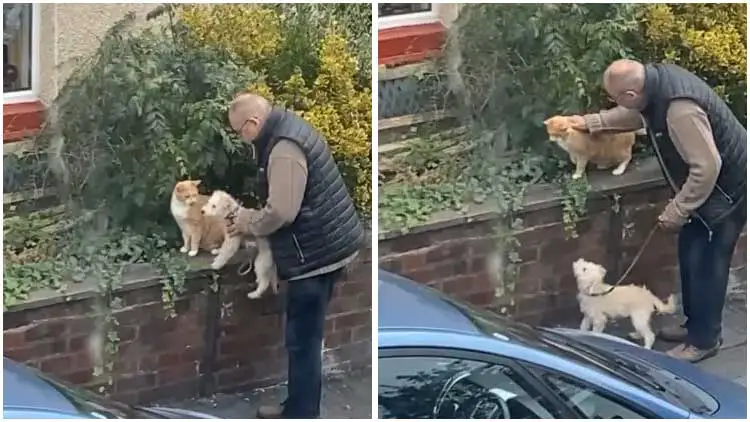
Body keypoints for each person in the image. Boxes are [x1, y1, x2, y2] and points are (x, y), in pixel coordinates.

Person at [568, 59, 746, 363]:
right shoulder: (654, 85)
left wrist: (678, 209)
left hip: (728, 194)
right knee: (691, 256)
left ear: (632, 93)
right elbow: (635, 115)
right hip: (709, 193)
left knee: (707, 267)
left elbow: (707, 167)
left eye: (616, 98)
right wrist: (591, 122)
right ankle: (694, 327)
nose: (616, 104)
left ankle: (704, 340)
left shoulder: (680, 110)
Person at [226, 92, 365, 417]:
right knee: (305, 341)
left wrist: (246, 220)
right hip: (325, 248)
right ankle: (298, 407)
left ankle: (301, 414)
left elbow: (281, 212)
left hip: (315, 258)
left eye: (238, 132)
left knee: (302, 344)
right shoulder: (285, 131)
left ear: (253, 123)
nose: (240, 139)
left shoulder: (284, 150)